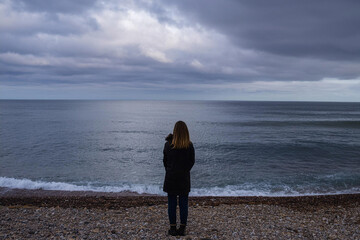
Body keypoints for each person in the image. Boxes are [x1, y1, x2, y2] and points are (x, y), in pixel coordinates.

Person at [163, 121, 195, 236]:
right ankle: (182, 228)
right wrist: (184, 171)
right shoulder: (189, 145)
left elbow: (165, 162)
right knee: (183, 203)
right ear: (186, 131)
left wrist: (171, 170)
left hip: (171, 177)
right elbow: (192, 162)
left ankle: (172, 228)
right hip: (184, 178)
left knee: (171, 203)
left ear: (175, 131)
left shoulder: (168, 145)